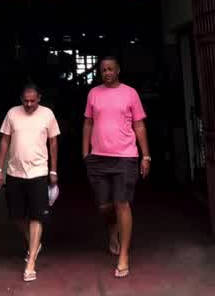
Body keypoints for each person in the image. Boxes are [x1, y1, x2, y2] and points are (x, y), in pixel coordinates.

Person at [82, 55, 150, 279]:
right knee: (104, 206)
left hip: (125, 157)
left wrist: (146, 155)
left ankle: (124, 257)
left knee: (122, 203)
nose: (107, 73)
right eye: (103, 70)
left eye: (111, 69)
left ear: (118, 70)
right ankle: (112, 230)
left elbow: (139, 125)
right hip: (99, 157)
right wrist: (85, 152)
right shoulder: (94, 93)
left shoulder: (130, 93)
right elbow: (88, 122)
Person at [0, 82, 60, 283]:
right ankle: (34, 243)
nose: (29, 104)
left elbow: (53, 142)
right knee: (16, 216)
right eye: (26, 100)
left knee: (36, 216)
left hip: (39, 172)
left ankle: (30, 261)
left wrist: (53, 169)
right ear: (21, 99)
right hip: (15, 172)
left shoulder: (47, 114)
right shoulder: (12, 113)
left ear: (39, 98)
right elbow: (4, 140)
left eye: (33, 101)